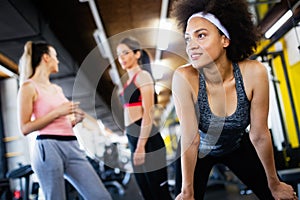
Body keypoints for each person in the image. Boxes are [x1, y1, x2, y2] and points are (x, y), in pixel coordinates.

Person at [170, 0, 298, 199]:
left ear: (225, 39)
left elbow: (259, 134)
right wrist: (187, 192)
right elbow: (190, 140)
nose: (191, 46)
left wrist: (275, 183)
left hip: (236, 146)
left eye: (201, 35)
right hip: (198, 151)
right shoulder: (184, 78)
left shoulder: (254, 73)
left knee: (275, 196)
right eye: (188, 39)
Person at [17, 41, 112, 200]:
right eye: (55, 56)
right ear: (46, 58)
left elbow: (59, 122)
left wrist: (74, 121)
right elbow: (25, 128)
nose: (58, 60)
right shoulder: (28, 87)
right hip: (48, 148)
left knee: (101, 197)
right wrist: (57, 112)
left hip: (72, 146)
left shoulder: (57, 89)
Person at [117, 37, 172, 200]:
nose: (121, 57)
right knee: (146, 192)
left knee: (159, 193)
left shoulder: (143, 76)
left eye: (125, 53)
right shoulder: (127, 82)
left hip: (147, 138)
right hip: (134, 137)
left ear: (137, 54)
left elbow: (148, 114)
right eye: (119, 54)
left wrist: (141, 146)